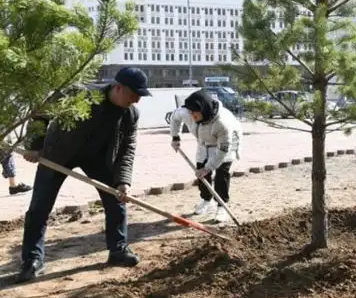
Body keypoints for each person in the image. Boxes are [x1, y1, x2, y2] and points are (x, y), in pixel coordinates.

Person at [16, 67, 150, 283]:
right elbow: (41, 113)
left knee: (116, 199)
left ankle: (118, 250)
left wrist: (123, 180)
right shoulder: (78, 94)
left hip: (98, 158)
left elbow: (128, 147)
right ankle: (32, 260)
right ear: (119, 88)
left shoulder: (130, 113)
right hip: (58, 155)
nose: (136, 101)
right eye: (134, 95)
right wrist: (33, 145)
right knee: (39, 207)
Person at [169, 89, 242, 223]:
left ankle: (222, 206)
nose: (191, 115)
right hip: (204, 144)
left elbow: (222, 150)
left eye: (194, 112)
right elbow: (174, 118)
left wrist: (209, 167)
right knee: (201, 173)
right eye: (189, 112)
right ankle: (206, 200)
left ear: (204, 110)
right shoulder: (189, 112)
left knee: (221, 175)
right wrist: (175, 136)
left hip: (227, 145)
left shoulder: (222, 123)